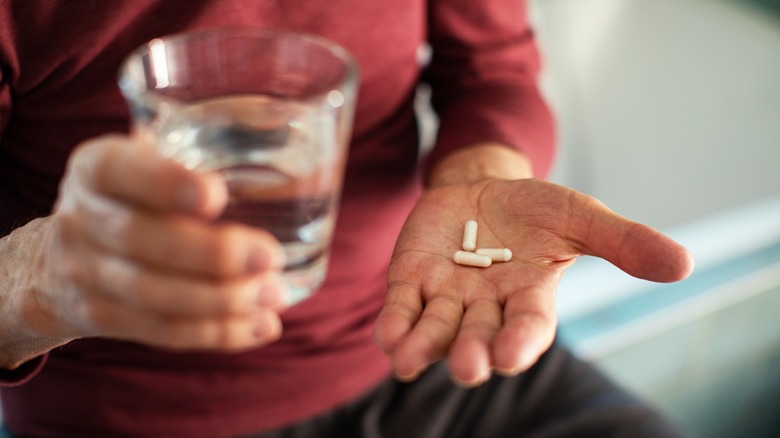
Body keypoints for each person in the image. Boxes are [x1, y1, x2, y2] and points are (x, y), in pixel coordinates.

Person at [0, 1, 695, 437]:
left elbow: (492, 68)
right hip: (131, 415)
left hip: (426, 339)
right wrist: (38, 281)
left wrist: (480, 180)